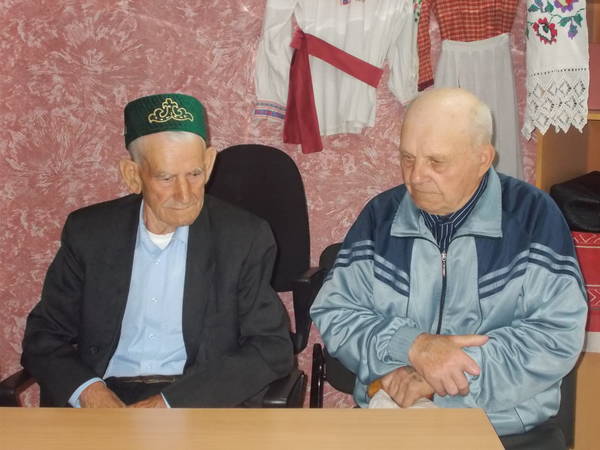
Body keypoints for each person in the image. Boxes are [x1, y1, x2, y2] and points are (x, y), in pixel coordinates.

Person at [310, 88, 588, 436]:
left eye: (436, 162)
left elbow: (554, 335)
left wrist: (440, 377)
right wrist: (411, 345)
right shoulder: (380, 217)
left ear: (483, 159)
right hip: (394, 417)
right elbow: (336, 312)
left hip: (502, 426)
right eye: (407, 158)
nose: (415, 177)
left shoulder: (533, 217)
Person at [21, 93, 294, 408]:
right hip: (103, 394)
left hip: (196, 396)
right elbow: (43, 335)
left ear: (208, 164)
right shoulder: (89, 234)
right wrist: (90, 393)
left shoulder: (243, 238)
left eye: (194, 174)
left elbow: (271, 347)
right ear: (132, 176)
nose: (184, 194)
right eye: (166, 178)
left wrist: (169, 403)